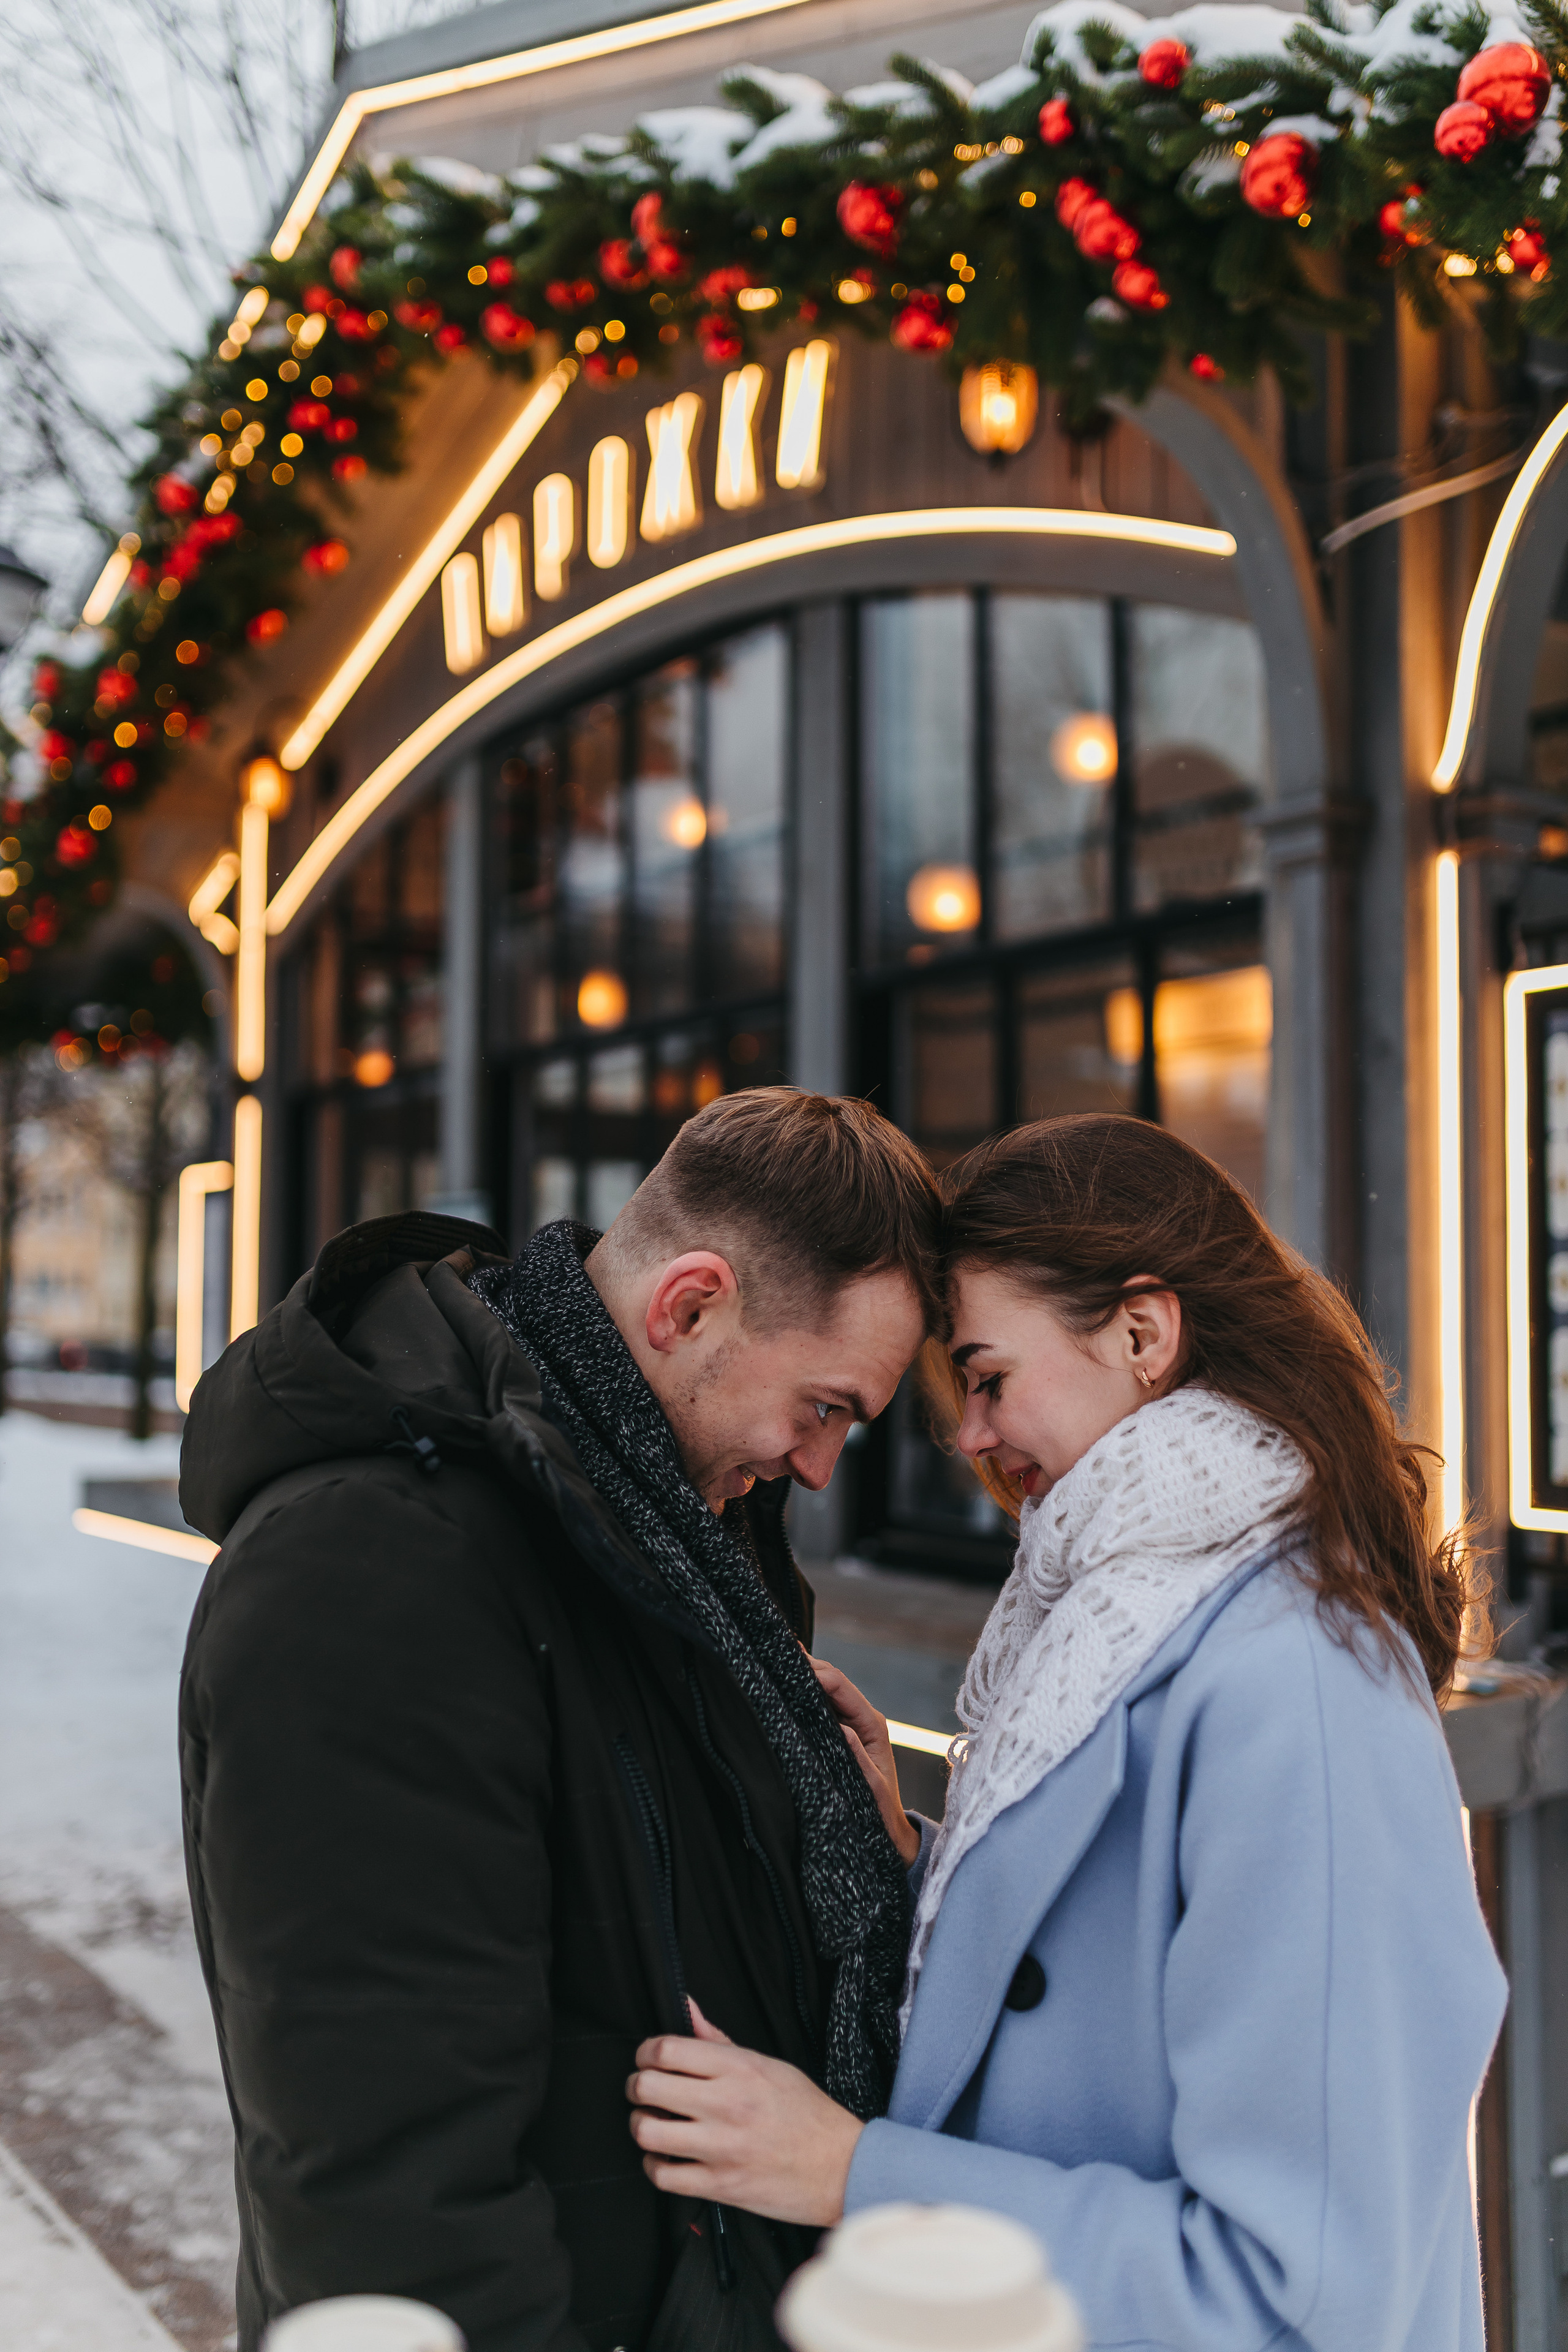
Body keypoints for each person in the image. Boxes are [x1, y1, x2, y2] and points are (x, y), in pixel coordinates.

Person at [625, 1113, 1509, 2352]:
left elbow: (1295, 2286)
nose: (968, 1435)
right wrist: (919, 1868)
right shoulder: (1117, 1619)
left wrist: (849, 2173)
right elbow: (1110, 2004)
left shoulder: (1292, 1684)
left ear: (1141, 1334)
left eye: (986, 1376)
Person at [178, 1088, 940, 2352]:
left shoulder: (667, 1523)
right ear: (687, 1304)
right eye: (823, 1407)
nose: (817, 1466)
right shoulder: (375, 1565)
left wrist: (874, 1857)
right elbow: (388, 2184)